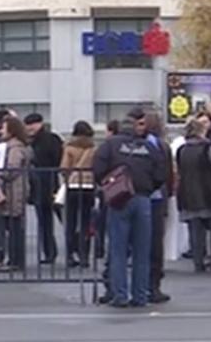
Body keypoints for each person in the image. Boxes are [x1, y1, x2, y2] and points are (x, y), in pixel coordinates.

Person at [93, 116, 165, 308]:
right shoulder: (148, 147)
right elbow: (161, 173)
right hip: (143, 199)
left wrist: (108, 185)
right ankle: (140, 295)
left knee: (118, 250)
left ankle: (120, 295)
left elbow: (98, 168)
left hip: (119, 199)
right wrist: (148, 188)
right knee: (142, 251)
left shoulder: (110, 146)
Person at [177, 119, 211, 273]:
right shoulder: (206, 149)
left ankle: (198, 262)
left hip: (189, 193)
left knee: (195, 227)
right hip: (210, 192)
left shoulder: (182, 150)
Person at [24, 113, 63, 264]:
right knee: (45, 220)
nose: (30, 128)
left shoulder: (50, 139)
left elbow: (57, 159)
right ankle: (49, 252)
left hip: (49, 182)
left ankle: (57, 252)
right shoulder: (33, 141)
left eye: (32, 124)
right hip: (42, 184)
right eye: (28, 125)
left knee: (55, 218)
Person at [145, 112, 173, 304]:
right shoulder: (162, 146)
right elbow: (167, 174)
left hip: (135, 196)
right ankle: (153, 285)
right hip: (156, 197)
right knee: (155, 243)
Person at [61, 120, 96, 268]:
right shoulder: (93, 148)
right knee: (85, 222)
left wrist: (68, 177)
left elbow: (64, 167)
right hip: (88, 186)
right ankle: (84, 256)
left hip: (73, 186)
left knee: (71, 221)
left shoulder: (69, 147)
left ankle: (70, 255)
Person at [0, 117, 30, 272]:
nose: (1, 131)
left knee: (13, 225)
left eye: (4, 128)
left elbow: (12, 169)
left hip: (14, 189)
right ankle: (16, 259)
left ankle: (14, 260)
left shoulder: (14, 148)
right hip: (17, 188)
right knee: (15, 225)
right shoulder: (18, 146)